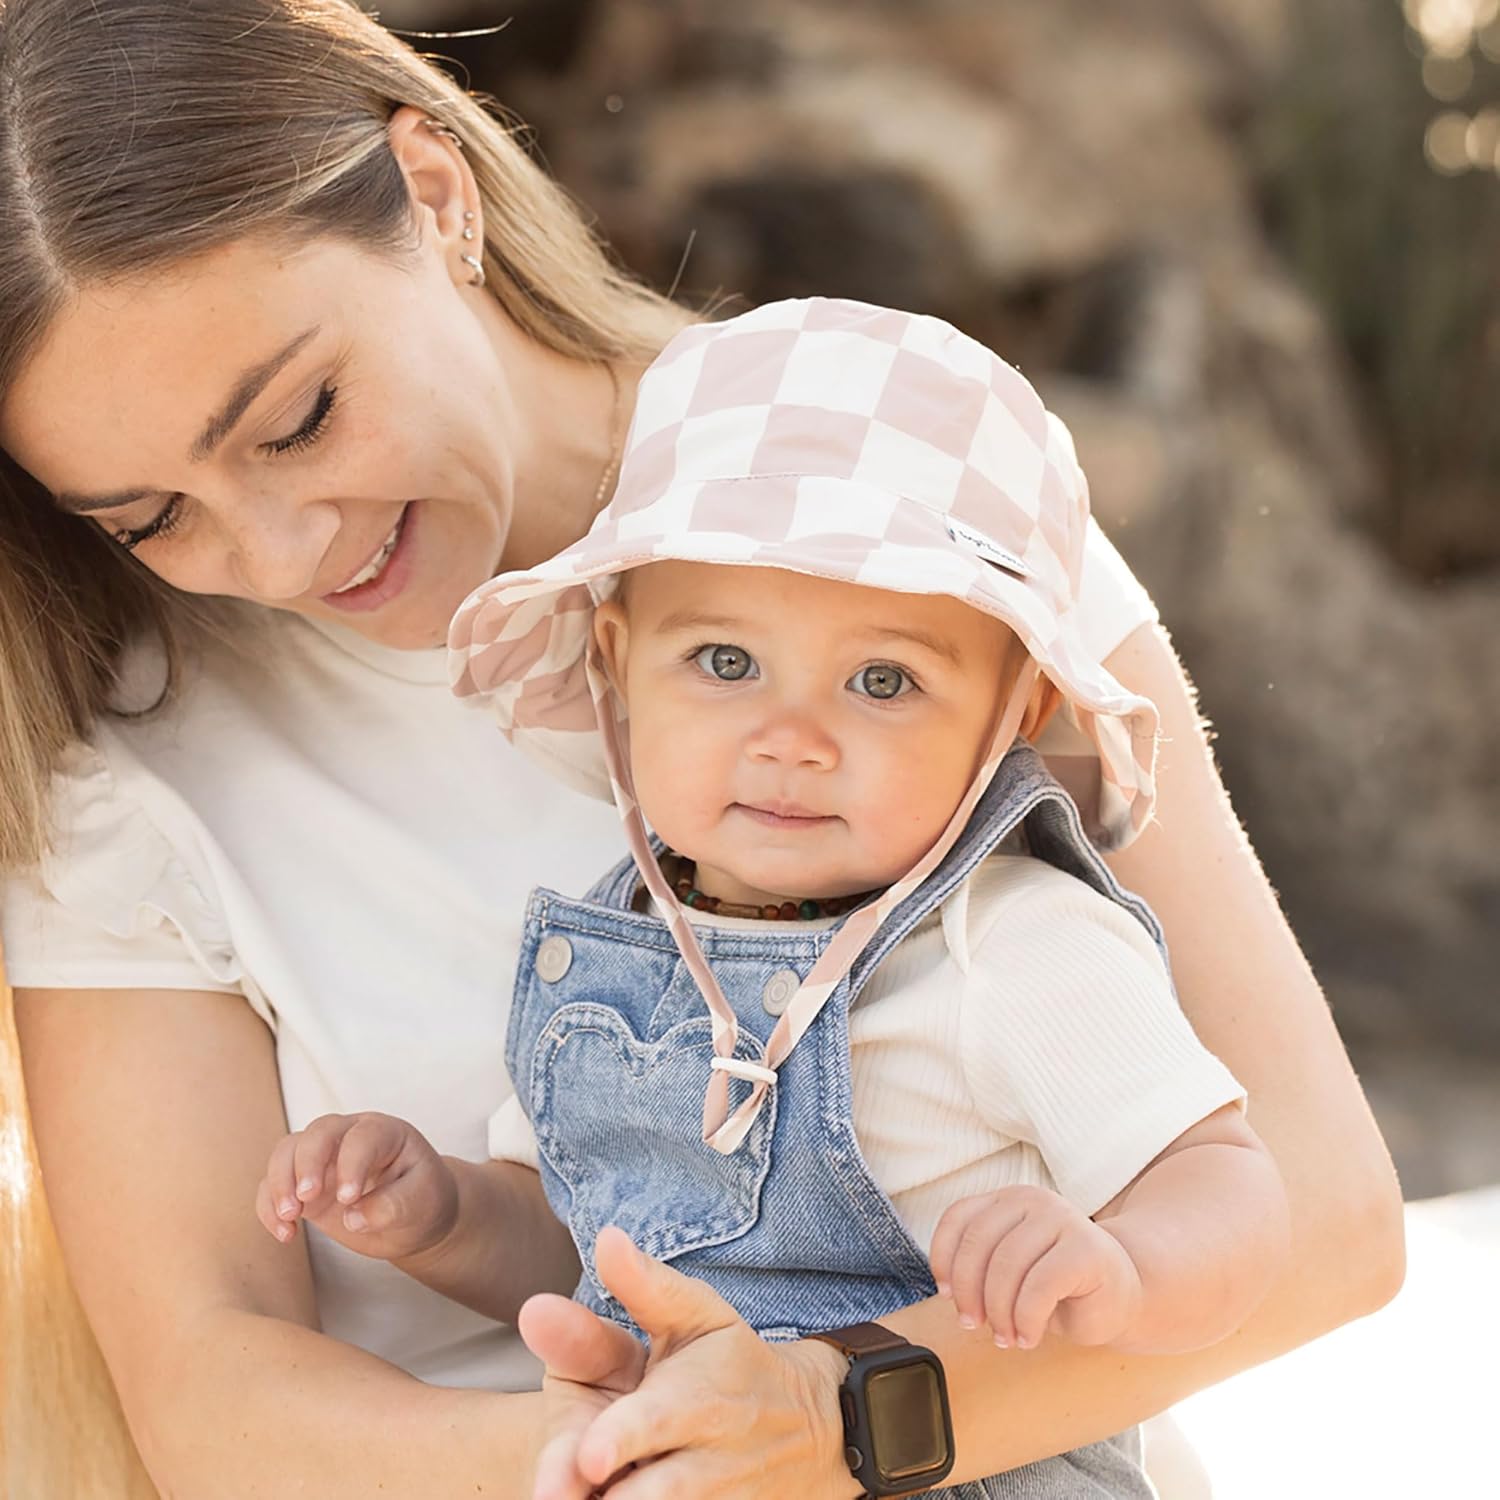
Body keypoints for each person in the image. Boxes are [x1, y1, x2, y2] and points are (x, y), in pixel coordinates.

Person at [0, 2, 1401, 1497]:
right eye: (150, 518)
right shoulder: (126, 757)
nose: (279, 554)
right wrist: (654, 1456)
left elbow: (1322, 1220)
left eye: (302, 419)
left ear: (436, 193)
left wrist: (836, 1423)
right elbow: (219, 1414)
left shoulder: (898, 468)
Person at [256, 300, 1291, 1500]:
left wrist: (1123, 1267)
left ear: (1014, 719)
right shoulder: (623, 950)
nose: (794, 740)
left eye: (883, 679)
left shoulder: (1010, 941)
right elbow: (581, 1239)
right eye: (727, 663)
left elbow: (1233, 1186)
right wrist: (437, 1216)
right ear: (616, 664)